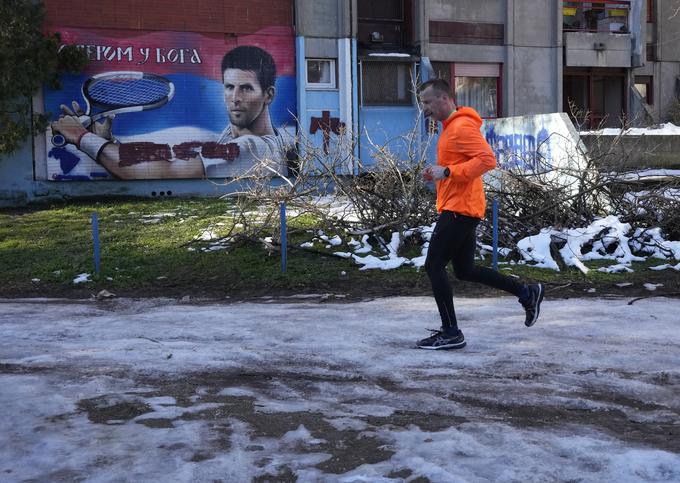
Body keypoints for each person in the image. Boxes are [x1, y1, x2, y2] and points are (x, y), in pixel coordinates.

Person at [417, 78, 544, 350]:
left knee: (434, 265)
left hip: (459, 209)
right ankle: (526, 292)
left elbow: (487, 160)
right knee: (465, 270)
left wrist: (448, 172)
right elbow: (461, 165)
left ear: (444, 98)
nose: (424, 108)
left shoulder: (461, 126)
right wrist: (440, 173)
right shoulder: (450, 128)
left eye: (427, 102)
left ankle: (451, 332)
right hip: (462, 206)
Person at [50, 45, 288, 179]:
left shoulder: (254, 147)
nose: (235, 98)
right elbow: (154, 161)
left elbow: (163, 171)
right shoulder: (233, 133)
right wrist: (105, 141)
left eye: (246, 88)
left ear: (269, 94)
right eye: (229, 87)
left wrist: (82, 137)